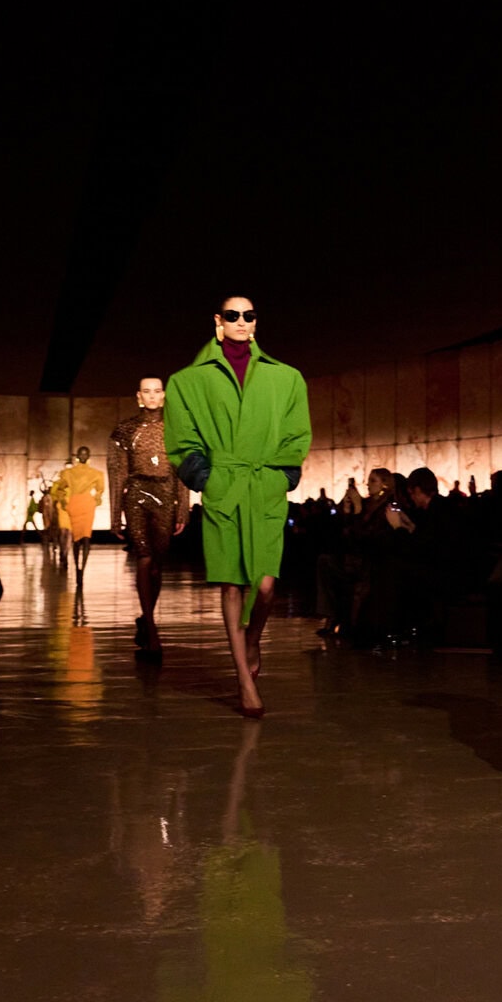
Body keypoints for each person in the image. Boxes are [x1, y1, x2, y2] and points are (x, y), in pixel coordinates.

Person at [165, 295, 311, 719]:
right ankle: (244, 680)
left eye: (249, 315)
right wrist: (207, 479)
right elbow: (182, 439)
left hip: (264, 487)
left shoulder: (287, 377)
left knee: (265, 585)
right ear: (218, 321)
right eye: (233, 315)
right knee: (231, 584)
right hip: (225, 489)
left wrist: (282, 477)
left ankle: (252, 639)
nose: (242, 321)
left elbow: (297, 434)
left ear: (256, 321)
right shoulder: (187, 381)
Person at [110, 375, 186, 660]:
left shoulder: (176, 430)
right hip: (137, 494)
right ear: (138, 396)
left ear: (163, 396)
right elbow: (118, 473)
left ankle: (146, 618)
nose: (152, 396)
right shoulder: (125, 430)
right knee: (143, 556)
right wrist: (115, 514)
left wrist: (183, 508)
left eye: (157, 391)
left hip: (165, 494)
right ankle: (152, 629)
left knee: (156, 565)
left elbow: (182, 470)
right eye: (146, 391)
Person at [50, 449, 107, 584]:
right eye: (81, 453)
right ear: (77, 456)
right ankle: (77, 568)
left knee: (86, 537)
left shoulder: (96, 473)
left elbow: (100, 489)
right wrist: (62, 500)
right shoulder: (68, 473)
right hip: (75, 504)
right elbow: (60, 488)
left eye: (85, 453)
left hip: (87, 504)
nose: (83, 456)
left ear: (89, 456)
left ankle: (82, 570)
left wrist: (96, 498)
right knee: (76, 539)